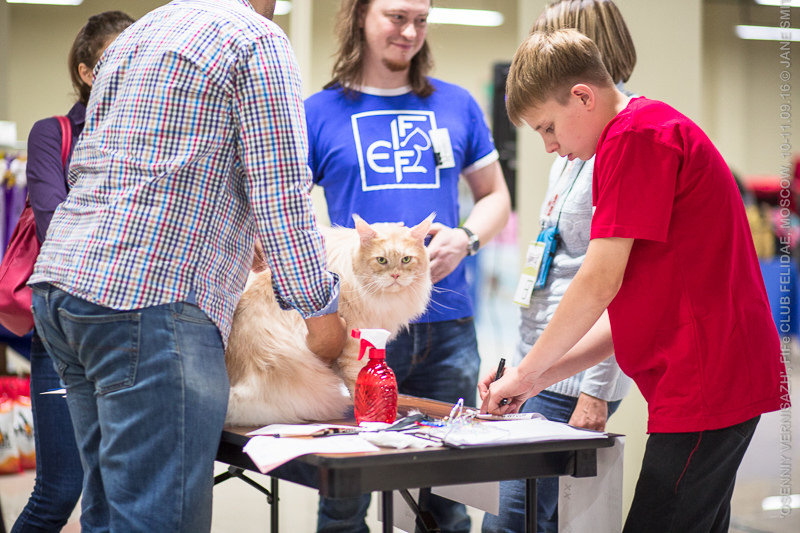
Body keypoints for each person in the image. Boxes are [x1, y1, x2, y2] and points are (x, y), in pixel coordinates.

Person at [28, 1, 347, 532]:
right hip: (147, 303)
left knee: (108, 511)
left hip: (67, 287)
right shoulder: (256, 39)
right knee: (156, 519)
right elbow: (282, 195)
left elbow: (126, 169)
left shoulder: (141, 33)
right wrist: (323, 316)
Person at [481, 29, 786, 533]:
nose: (551, 146)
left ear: (583, 96)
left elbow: (597, 281)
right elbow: (621, 310)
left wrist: (524, 373)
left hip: (708, 376)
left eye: (548, 127)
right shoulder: (637, 134)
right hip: (705, 375)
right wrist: (536, 378)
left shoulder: (636, 136)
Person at [305, 0, 511, 531]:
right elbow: (283, 209)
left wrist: (465, 238)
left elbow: (495, 198)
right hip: (356, 334)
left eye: (421, 19)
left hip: (448, 327)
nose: (410, 31)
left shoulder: (457, 105)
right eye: (397, 17)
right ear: (360, 17)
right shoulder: (319, 111)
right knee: (345, 498)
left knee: (448, 501)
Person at [481, 2, 634, 532]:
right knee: (530, 519)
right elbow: (550, 262)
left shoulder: (619, 143)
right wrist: (516, 364)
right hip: (538, 363)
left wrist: (597, 388)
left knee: (513, 520)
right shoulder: (569, 146)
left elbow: (614, 282)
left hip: (572, 375)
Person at [12, 11, 134, 533]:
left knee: (113, 490)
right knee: (61, 488)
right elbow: (54, 222)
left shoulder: (146, 136)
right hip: (64, 332)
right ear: (87, 72)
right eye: (115, 59)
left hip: (135, 330)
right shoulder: (53, 134)